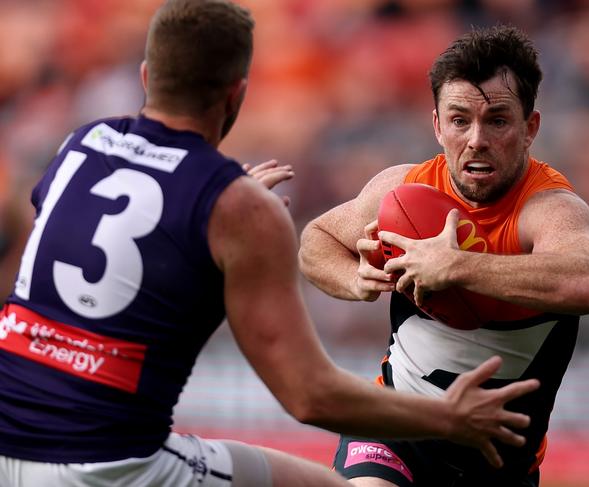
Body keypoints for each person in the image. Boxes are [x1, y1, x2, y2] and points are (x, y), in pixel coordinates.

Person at [0, 3, 540, 486]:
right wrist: (451, 418)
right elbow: (310, 396)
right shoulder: (238, 208)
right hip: (107, 462)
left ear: (146, 77)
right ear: (238, 92)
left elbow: (90, 248)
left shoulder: (84, 142)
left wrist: (208, 218)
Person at [299, 25, 589, 487]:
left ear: (530, 129)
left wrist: (457, 266)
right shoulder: (404, 191)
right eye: (460, 120)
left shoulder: (548, 209)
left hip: (498, 467)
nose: (476, 140)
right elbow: (316, 240)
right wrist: (355, 278)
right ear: (437, 125)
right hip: (392, 432)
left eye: (498, 121)